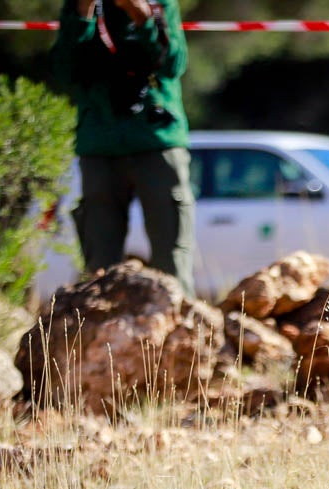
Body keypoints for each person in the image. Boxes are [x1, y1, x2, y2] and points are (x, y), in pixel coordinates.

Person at [51, 0, 195, 296]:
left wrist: (141, 16)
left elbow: (174, 64)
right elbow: (64, 71)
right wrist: (83, 15)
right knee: (98, 270)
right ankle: (98, 338)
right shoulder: (80, 5)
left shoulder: (158, 3)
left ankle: (181, 339)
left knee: (172, 264)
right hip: (100, 145)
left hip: (156, 141)